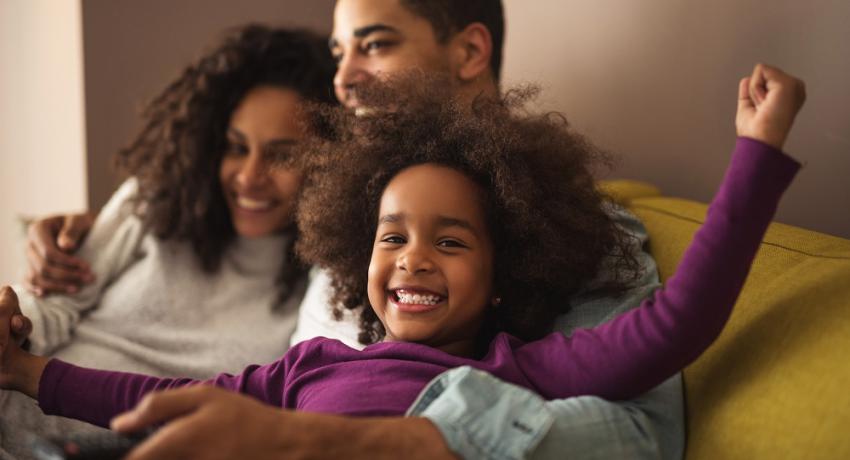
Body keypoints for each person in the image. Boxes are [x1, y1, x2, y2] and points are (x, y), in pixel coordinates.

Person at [1, 63, 805, 455]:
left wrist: (757, 152)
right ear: (360, 255)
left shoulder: (517, 372)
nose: (414, 259)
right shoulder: (306, 365)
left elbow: (676, 323)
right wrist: (27, 373)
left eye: (450, 242)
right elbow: (163, 397)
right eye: (392, 237)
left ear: (502, 278)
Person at [0, 24, 337, 459]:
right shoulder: (157, 203)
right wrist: (13, 326)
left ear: (330, 162)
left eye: (282, 155)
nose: (250, 177)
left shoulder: (324, 284)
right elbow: (53, 306)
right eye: (236, 148)